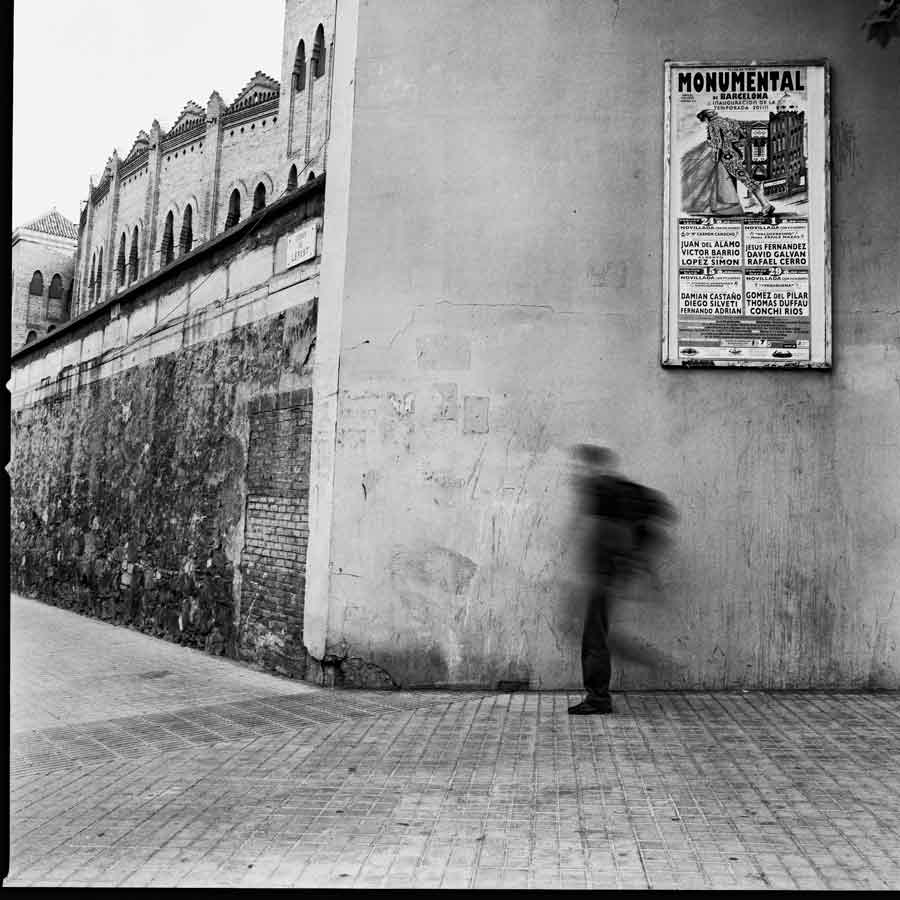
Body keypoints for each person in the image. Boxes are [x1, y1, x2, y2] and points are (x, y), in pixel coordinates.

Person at [567, 444, 675, 715]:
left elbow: (609, 534)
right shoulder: (616, 489)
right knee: (597, 634)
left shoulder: (601, 490)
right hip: (607, 574)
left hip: (602, 576)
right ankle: (643, 663)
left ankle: (599, 698)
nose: (576, 469)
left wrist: (606, 572)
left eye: (580, 464)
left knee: (595, 637)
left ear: (593, 465)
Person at [682, 109, 775, 217]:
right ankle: (760, 205)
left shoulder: (713, 125)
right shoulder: (729, 121)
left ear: (706, 118)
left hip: (727, 157)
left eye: (704, 121)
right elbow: (742, 135)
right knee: (742, 179)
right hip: (735, 153)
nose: (705, 123)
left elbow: (717, 144)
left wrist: (714, 158)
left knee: (746, 180)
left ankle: (766, 205)